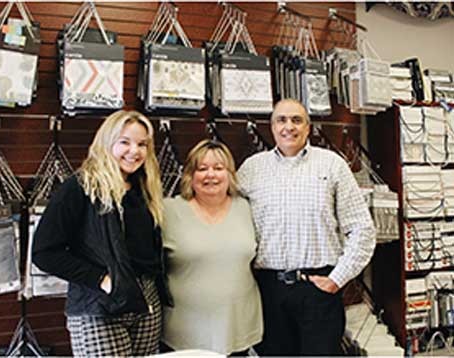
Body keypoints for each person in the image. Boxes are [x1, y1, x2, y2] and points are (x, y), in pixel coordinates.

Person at [237, 99, 376, 356]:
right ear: (271, 127)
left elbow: (362, 229)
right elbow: (229, 219)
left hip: (319, 289)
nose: (288, 127)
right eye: (281, 120)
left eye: (296, 120)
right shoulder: (251, 169)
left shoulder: (332, 165)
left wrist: (337, 279)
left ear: (309, 127)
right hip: (268, 290)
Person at [32, 110, 171, 356]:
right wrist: (102, 280)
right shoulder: (80, 187)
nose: (134, 151)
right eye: (124, 142)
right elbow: (44, 253)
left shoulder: (144, 189)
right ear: (107, 143)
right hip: (98, 306)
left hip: (146, 302)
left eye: (142, 144)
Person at [161, 139, 263, 356]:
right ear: (190, 175)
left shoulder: (246, 207)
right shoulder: (167, 211)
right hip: (183, 330)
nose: (211, 175)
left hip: (237, 326)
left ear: (230, 174)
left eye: (219, 168)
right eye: (202, 169)